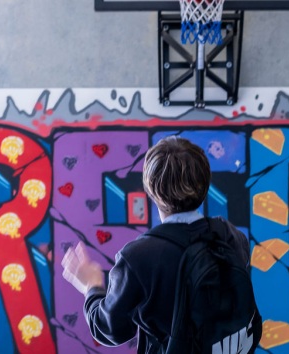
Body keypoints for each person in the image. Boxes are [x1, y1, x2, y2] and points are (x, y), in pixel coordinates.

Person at [61, 136, 252, 353]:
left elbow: (110, 329)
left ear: (150, 189)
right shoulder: (230, 236)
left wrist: (91, 286)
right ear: (205, 183)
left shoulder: (138, 257)